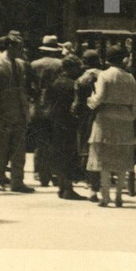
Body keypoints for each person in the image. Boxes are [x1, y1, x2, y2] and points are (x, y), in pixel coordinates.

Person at [86, 45, 136, 208]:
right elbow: (134, 102)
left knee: (104, 159)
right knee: (122, 158)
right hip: (124, 119)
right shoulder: (130, 77)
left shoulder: (104, 75)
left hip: (106, 118)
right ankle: (119, 197)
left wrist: (91, 101)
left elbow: (99, 97)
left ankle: (105, 196)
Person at [0, 31, 35, 193]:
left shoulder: (21, 64)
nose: (21, 51)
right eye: (18, 48)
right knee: (0, 149)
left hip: (20, 112)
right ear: (9, 47)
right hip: (2, 113)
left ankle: (17, 181)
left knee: (18, 150)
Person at [46, 55, 88, 200]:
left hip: (55, 121)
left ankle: (62, 187)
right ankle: (68, 189)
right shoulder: (74, 84)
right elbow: (78, 105)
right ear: (73, 68)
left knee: (59, 153)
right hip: (69, 123)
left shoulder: (55, 82)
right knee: (69, 155)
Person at [29, 35, 65, 187]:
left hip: (38, 107)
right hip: (56, 107)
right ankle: (55, 173)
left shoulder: (34, 65)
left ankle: (40, 173)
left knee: (40, 141)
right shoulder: (61, 64)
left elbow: (30, 86)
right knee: (56, 141)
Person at [75, 49, 104, 201]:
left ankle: (90, 180)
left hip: (86, 116)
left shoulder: (81, 78)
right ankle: (100, 180)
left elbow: (77, 103)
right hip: (102, 115)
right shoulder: (103, 75)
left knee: (87, 149)